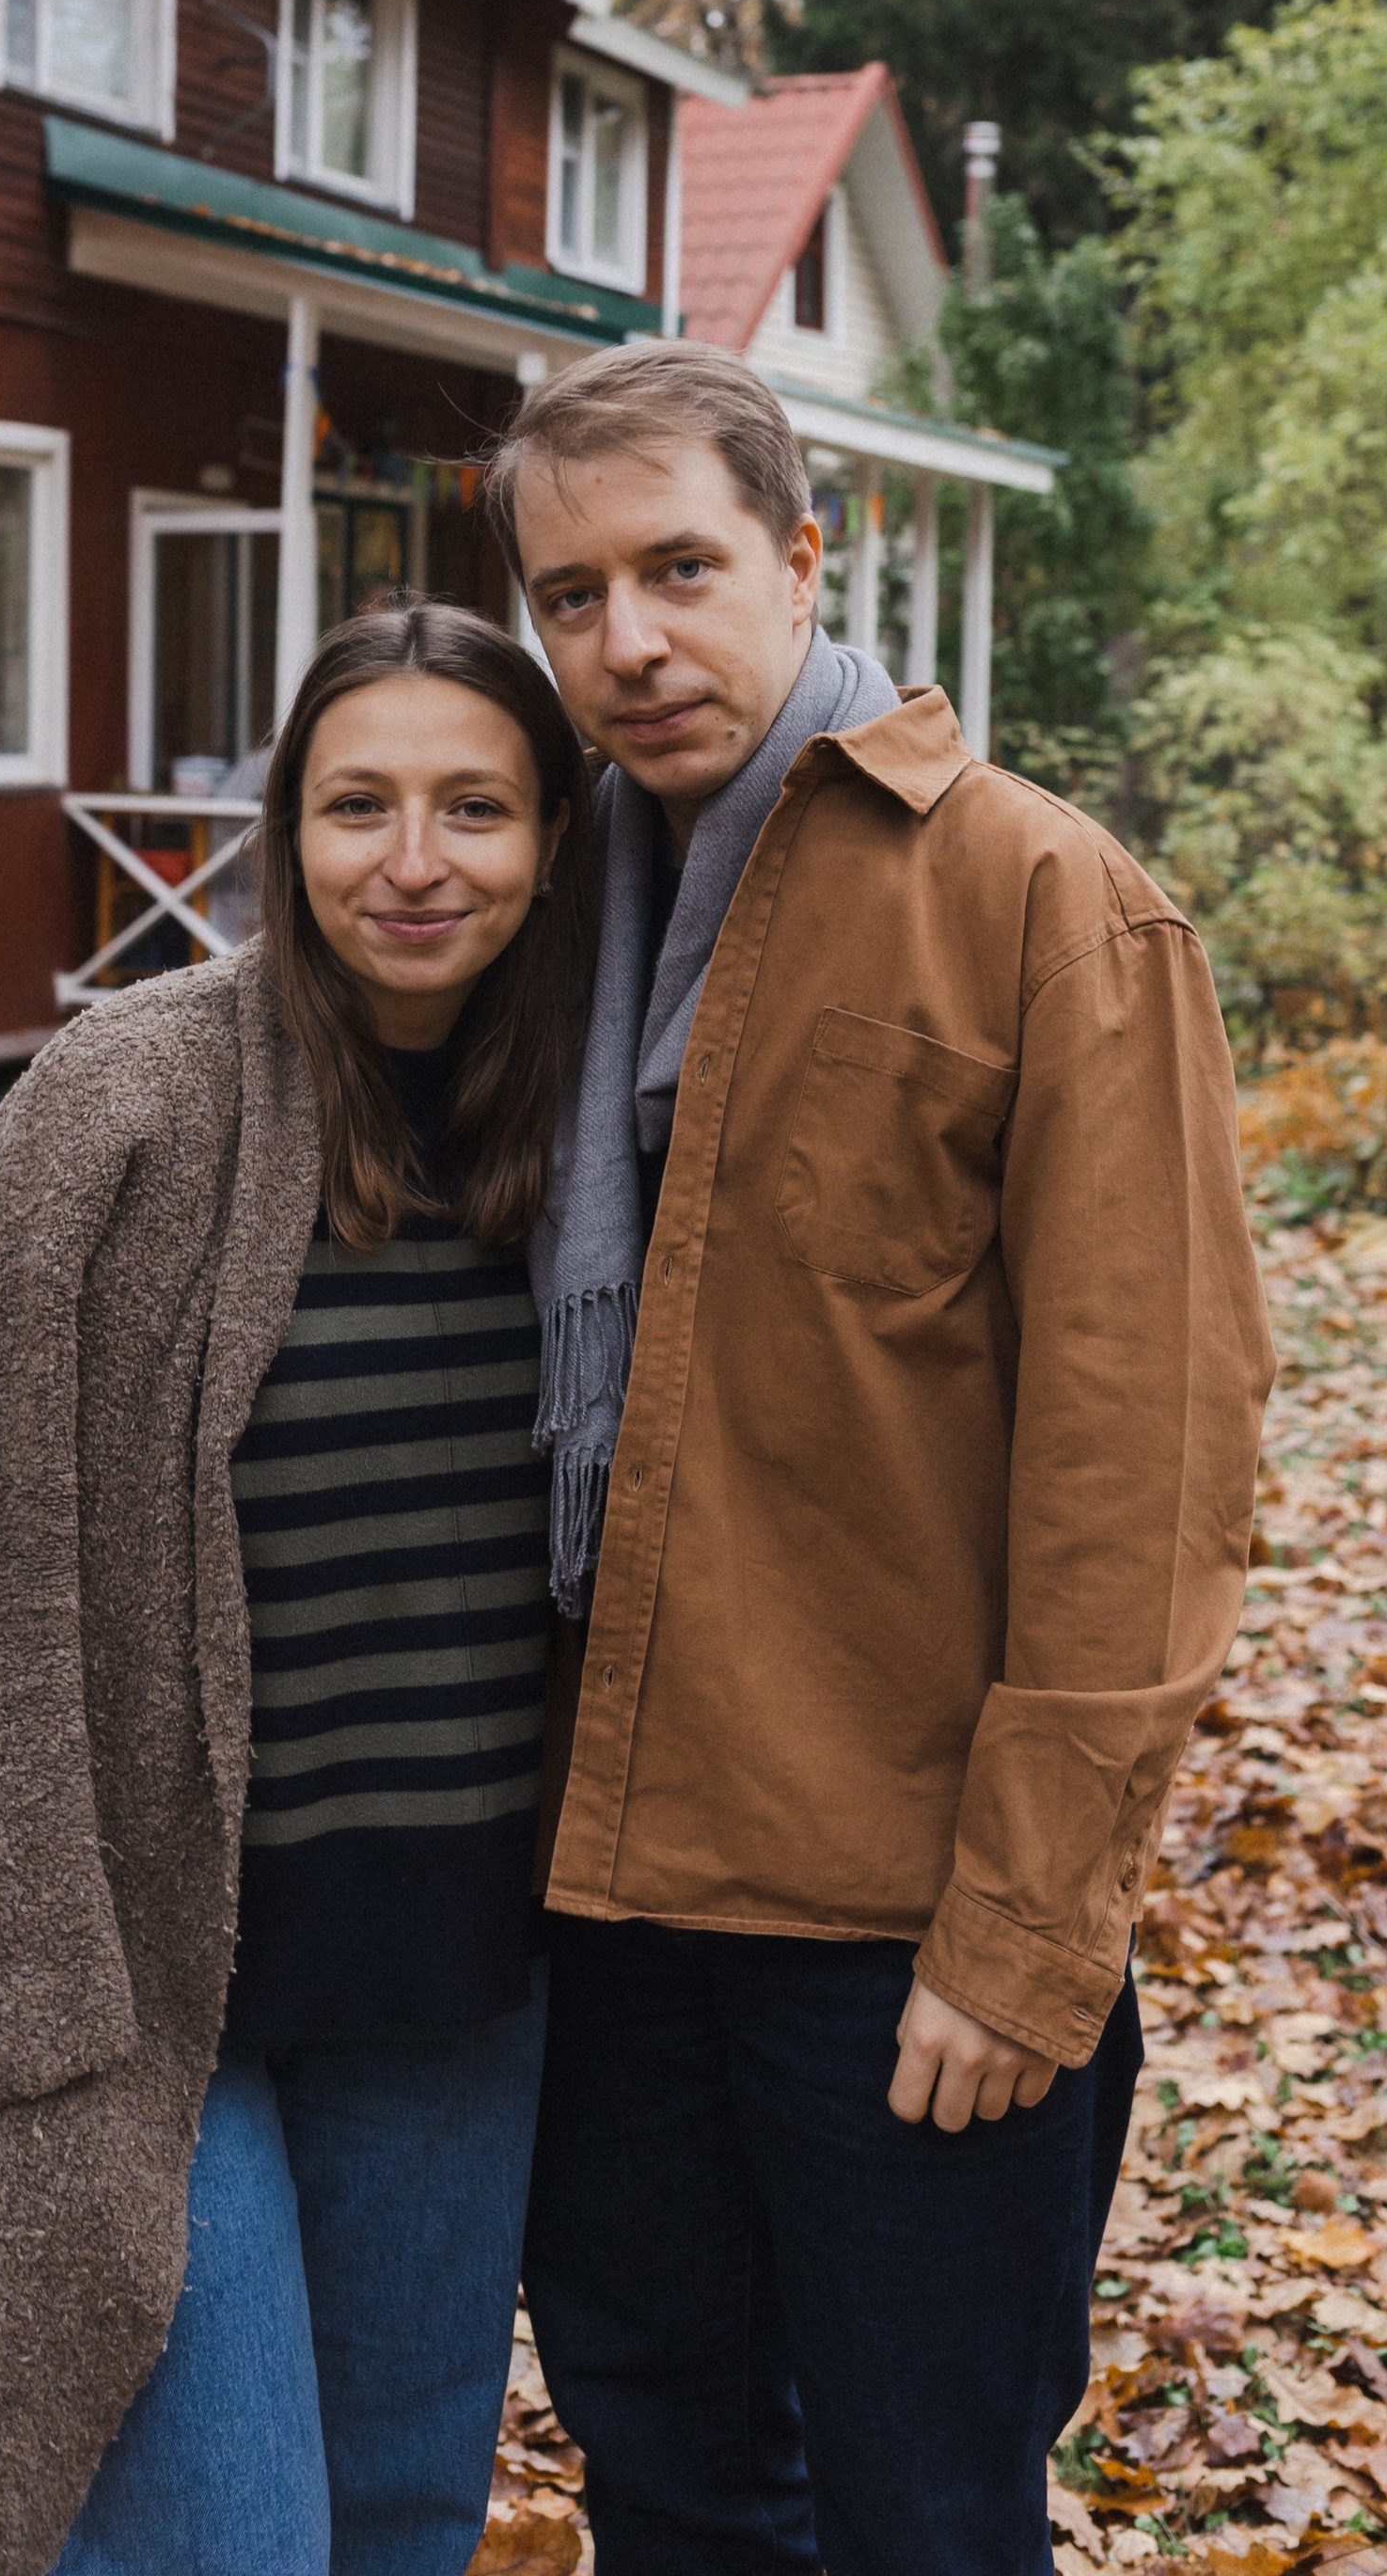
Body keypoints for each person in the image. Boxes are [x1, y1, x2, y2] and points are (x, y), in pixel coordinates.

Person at [491, 342, 1275, 2576]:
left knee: (926, 2519)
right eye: (568, 597)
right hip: (586, 1902)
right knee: (675, 2496)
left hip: (894, 1930)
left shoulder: (1036, 901)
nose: (625, 642)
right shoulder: (543, 908)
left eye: (676, 568)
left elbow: (1145, 1471)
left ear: (798, 557)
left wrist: (1024, 1932)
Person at [0, 603, 596, 2576]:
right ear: (284, 826)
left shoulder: (595, 1138)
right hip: (155, 2000)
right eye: (357, 805)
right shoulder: (122, 1111)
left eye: (472, 808)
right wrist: (11, 2003)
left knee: (406, 2525)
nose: (411, 862)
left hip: (452, 1980)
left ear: (554, 836)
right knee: (223, 2543)